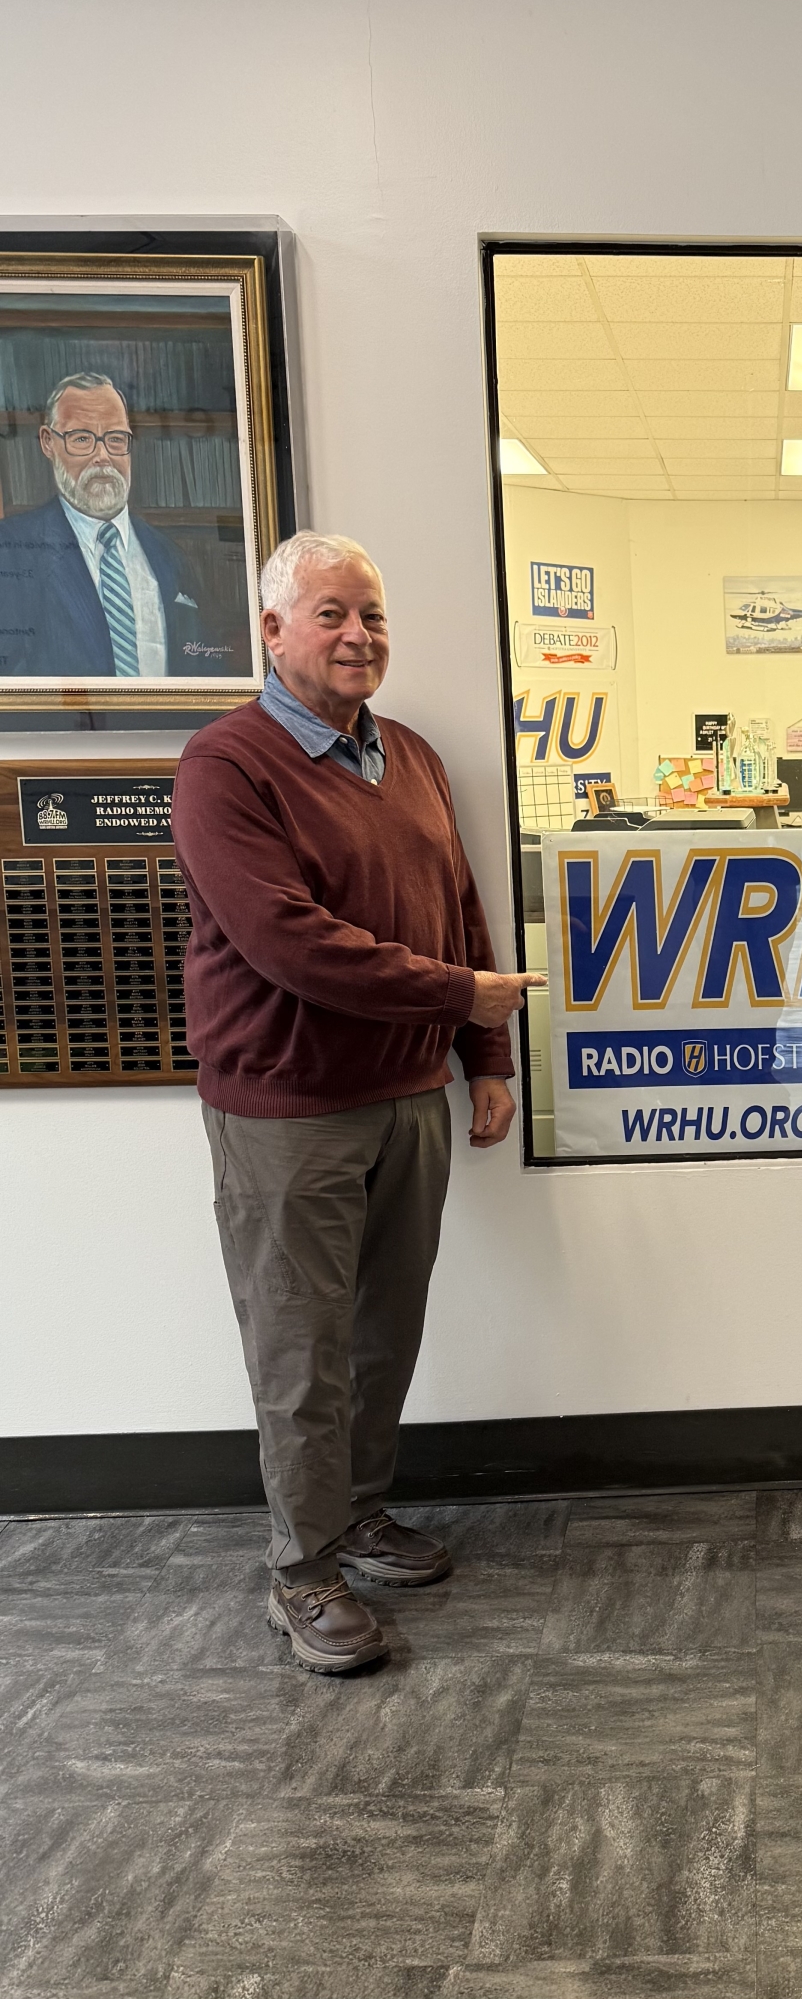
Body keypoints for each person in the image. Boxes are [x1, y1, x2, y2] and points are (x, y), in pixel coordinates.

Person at [173, 531, 543, 1674]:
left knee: (385, 1330)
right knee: (302, 1349)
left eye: (371, 614)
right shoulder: (225, 765)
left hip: (409, 1094)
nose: (356, 634)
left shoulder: (411, 754)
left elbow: (458, 907)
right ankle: (303, 1570)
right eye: (330, 612)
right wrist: (458, 995)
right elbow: (289, 940)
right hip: (288, 1108)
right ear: (272, 630)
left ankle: (359, 1513)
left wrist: (485, 1053)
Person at [0, 372, 224, 678]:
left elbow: (206, 669)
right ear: (48, 443)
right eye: (82, 439)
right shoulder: (11, 550)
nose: (102, 457)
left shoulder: (168, 555)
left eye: (116, 439)